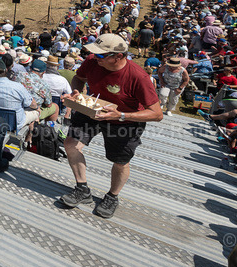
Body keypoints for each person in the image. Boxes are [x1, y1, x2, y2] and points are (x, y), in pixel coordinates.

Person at [60, 34, 162, 219]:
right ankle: (82, 188)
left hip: (125, 119)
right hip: (93, 108)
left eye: (100, 55)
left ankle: (112, 196)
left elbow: (156, 114)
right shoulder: (92, 61)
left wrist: (121, 115)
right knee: (70, 144)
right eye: (94, 54)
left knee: (120, 161)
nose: (94, 58)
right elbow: (79, 78)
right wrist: (76, 91)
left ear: (118, 56)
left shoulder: (138, 77)